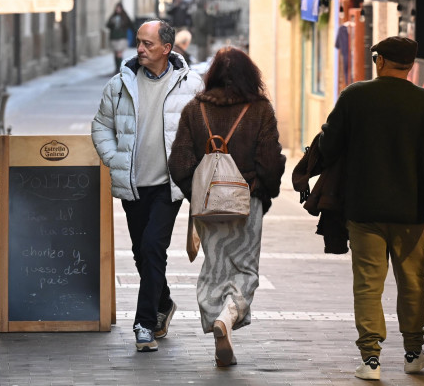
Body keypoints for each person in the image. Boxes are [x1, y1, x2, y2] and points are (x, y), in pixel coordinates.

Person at [316, 36, 424, 380]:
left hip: (364, 210)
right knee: (413, 283)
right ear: (411, 65)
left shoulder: (355, 96)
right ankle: (413, 353)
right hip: (412, 213)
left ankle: (371, 360)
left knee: (368, 284)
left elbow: (328, 146)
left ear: (379, 61)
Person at [168, 47, 286, 367]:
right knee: (245, 269)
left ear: (213, 74)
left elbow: (179, 163)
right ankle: (229, 317)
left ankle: (218, 320)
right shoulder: (260, 110)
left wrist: (197, 193)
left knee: (215, 267)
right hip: (248, 201)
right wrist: (264, 193)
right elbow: (271, 161)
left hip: (207, 206)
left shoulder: (195, 110)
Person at [91, 20, 203, 352]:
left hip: (169, 185)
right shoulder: (120, 83)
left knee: (154, 247)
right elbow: (101, 125)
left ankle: (144, 323)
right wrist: (114, 158)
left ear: (167, 49)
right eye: (139, 42)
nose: (140, 49)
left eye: (147, 44)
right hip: (133, 184)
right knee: (143, 253)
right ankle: (164, 302)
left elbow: (205, 127)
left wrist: (191, 167)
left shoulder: (190, 84)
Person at [105, 2, 134, 74]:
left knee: (119, 53)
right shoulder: (113, 17)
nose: (117, 9)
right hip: (114, 37)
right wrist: (112, 23)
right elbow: (108, 25)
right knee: (116, 53)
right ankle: (117, 68)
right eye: (116, 8)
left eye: (119, 8)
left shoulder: (124, 17)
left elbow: (131, 25)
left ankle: (119, 68)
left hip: (122, 37)